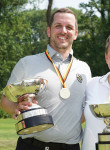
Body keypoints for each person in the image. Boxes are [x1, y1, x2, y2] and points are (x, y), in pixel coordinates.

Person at [0, 8, 91, 150]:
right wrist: (16, 108)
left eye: (69, 27)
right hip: (31, 146)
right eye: (58, 26)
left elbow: (84, 111)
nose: (63, 31)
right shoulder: (26, 63)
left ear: (75, 34)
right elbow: (5, 101)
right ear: (49, 31)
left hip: (70, 147)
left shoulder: (84, 69)